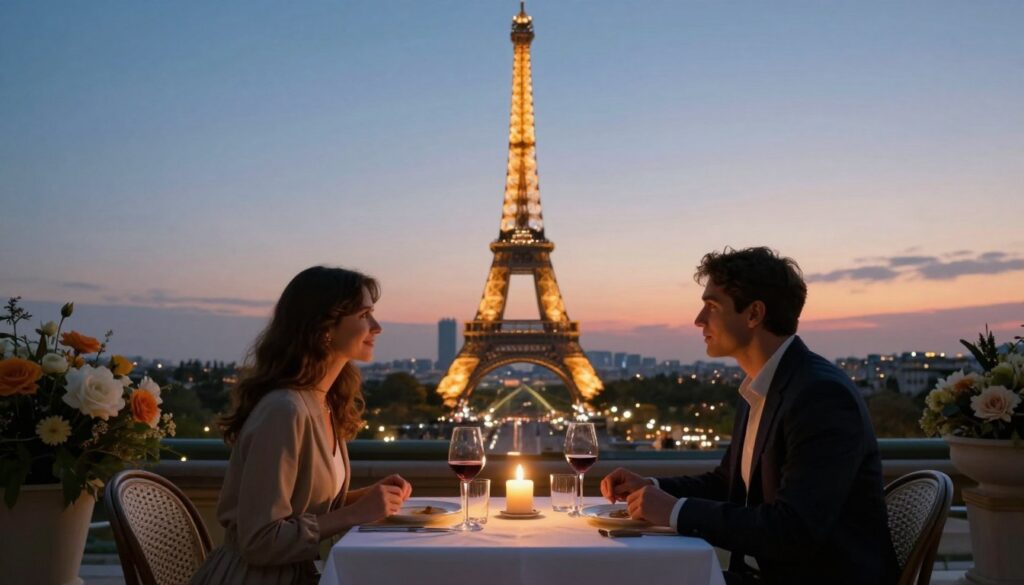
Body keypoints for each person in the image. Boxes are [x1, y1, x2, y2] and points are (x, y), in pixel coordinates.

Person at [600, 247, 898, 585]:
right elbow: (728, 484)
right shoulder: (766, 386)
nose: (699, 319)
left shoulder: (820, 396)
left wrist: (673, 511)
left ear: (754, 314)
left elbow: (793, 529)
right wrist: (650, 489)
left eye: (712, 306)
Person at [191, 266, 413, 585]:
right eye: (364, 314)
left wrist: (365, 498)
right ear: (325, 327)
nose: (376, 327)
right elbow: (259, 541)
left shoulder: (321, 401)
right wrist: (354, 514)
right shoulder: (285, 411)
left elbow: (299, 507)